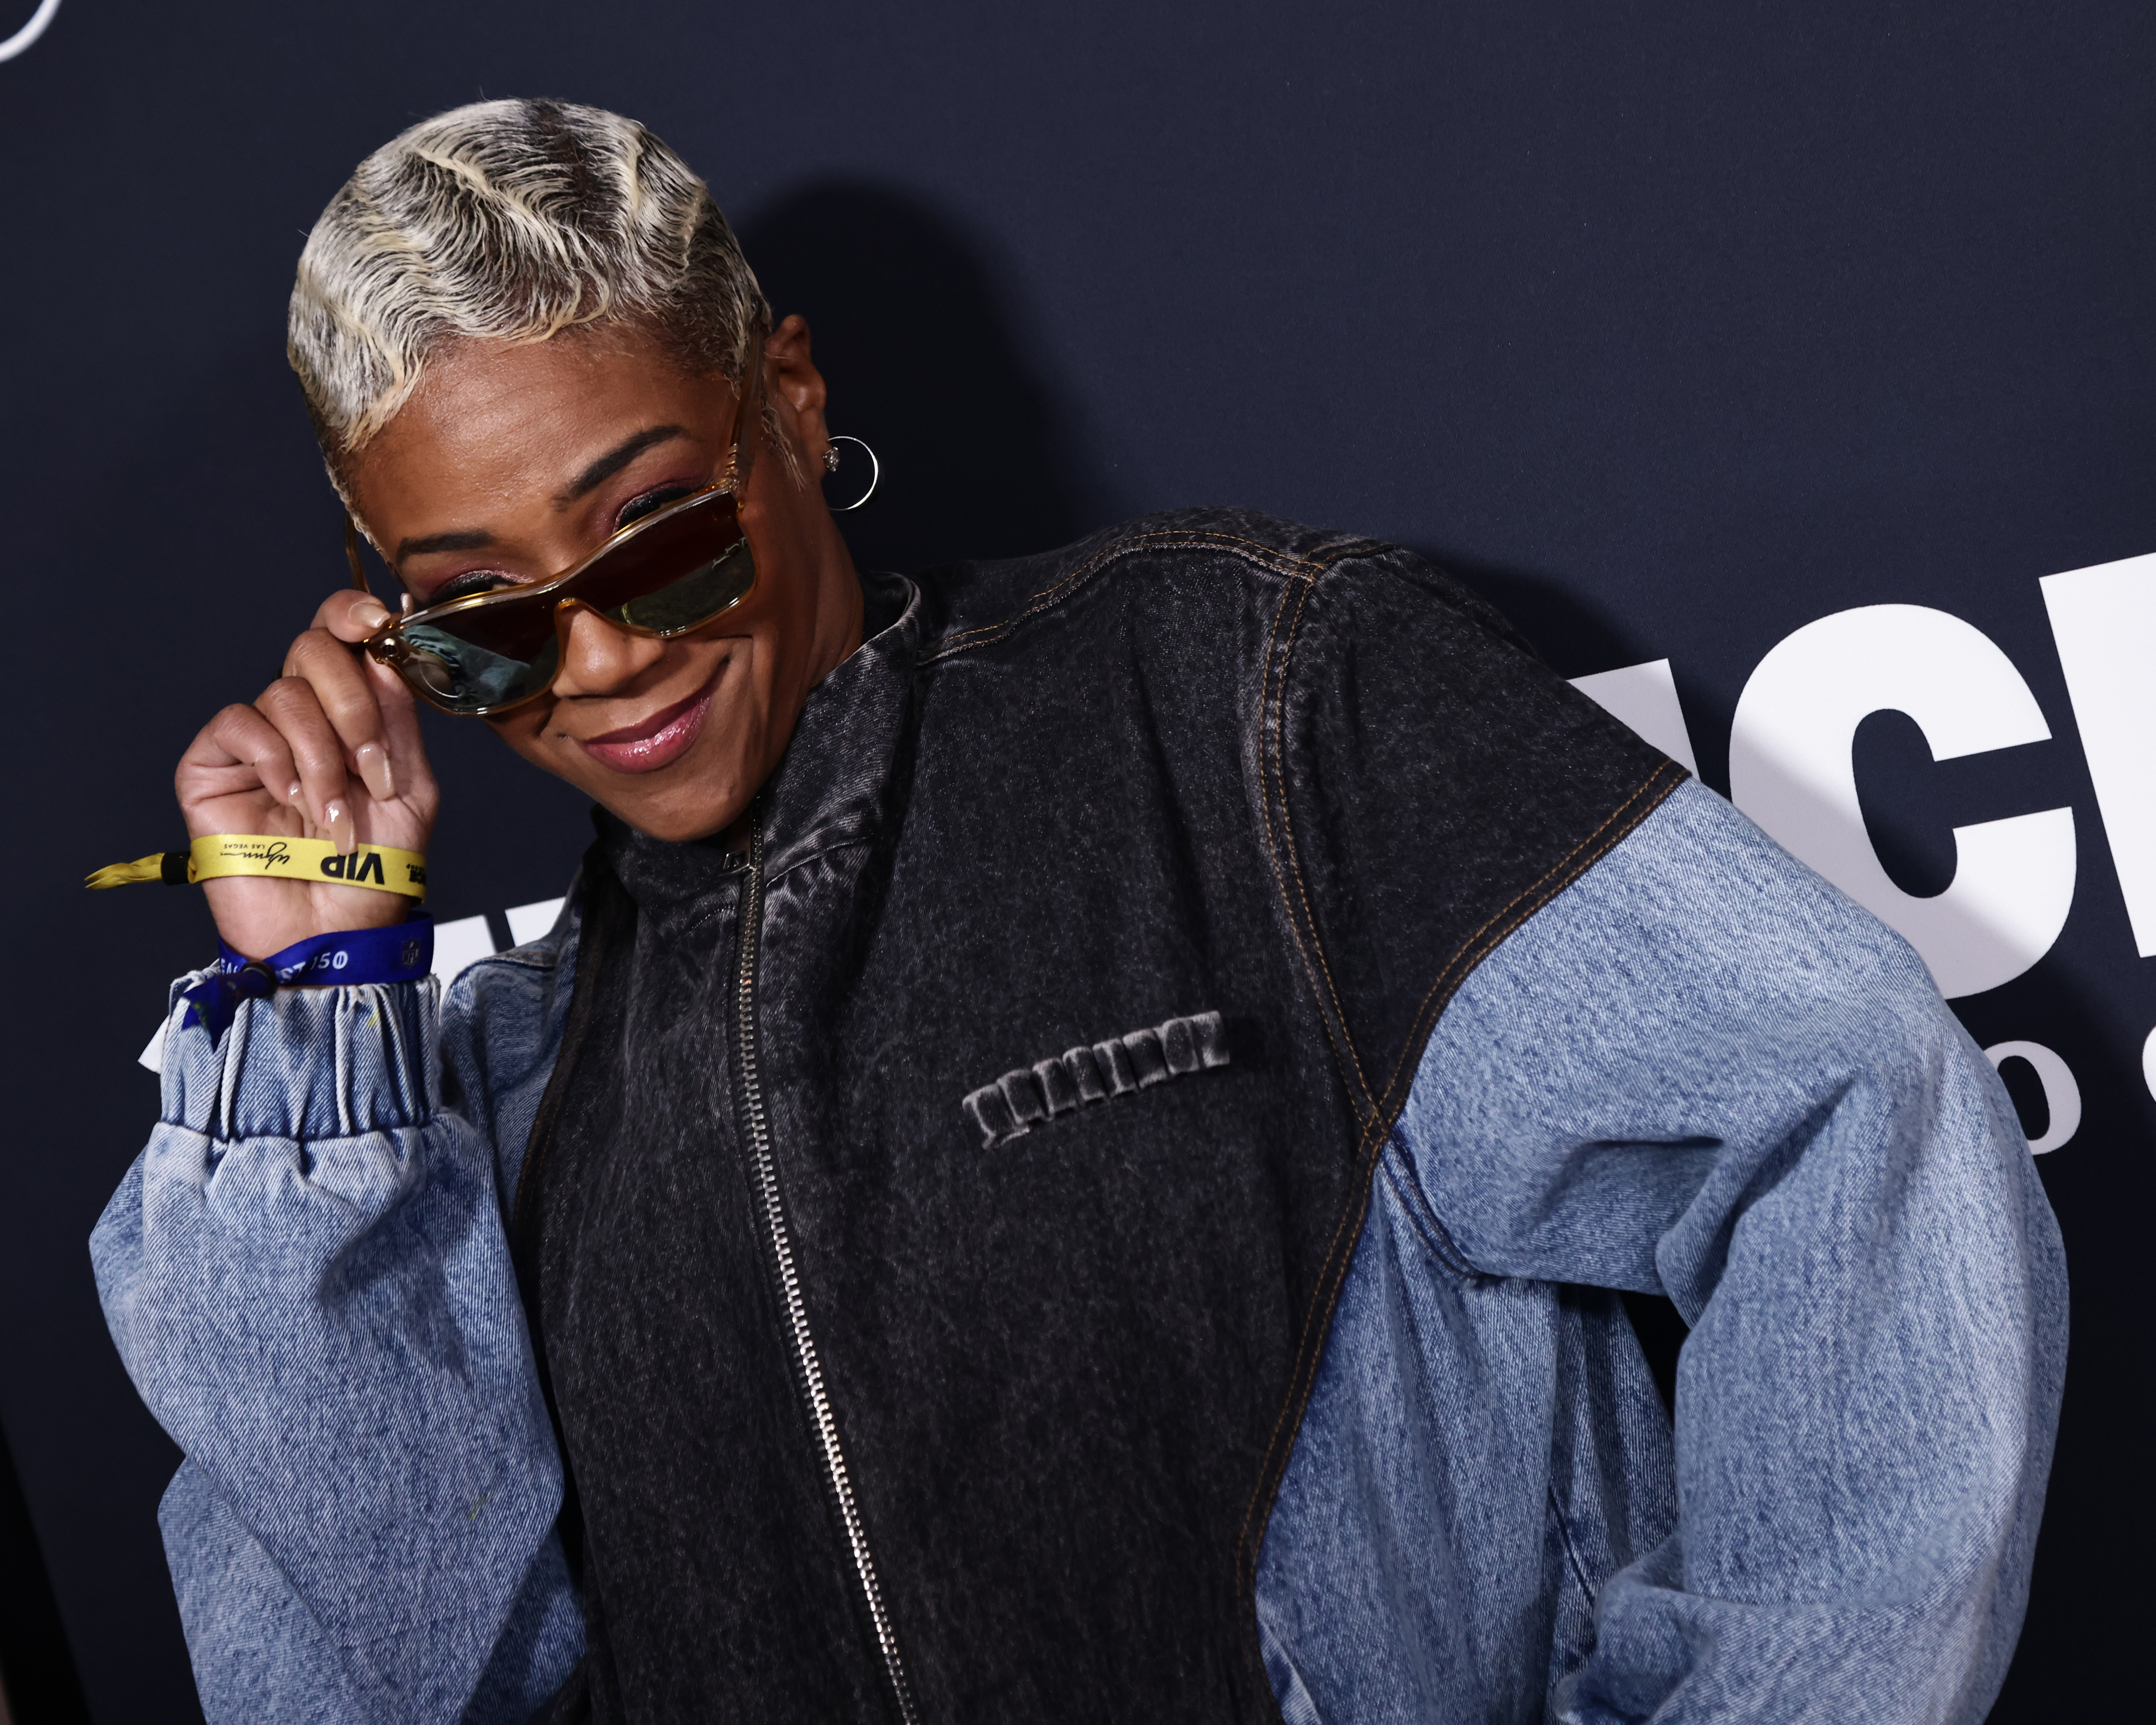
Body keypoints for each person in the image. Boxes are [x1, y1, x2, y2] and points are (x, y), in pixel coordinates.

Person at [89, 99, 2064, 1725]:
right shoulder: (511, 1087)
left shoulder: (1248, 703)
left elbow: (1846, 1123)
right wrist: (327, 987)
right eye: (488, 622)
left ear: (784, 398)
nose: (599, 659)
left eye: (662, 538)